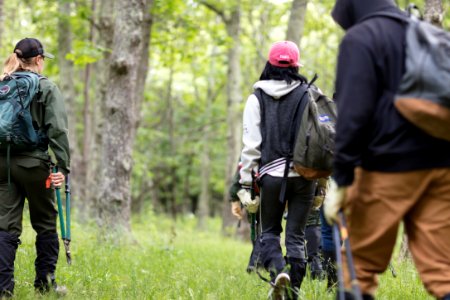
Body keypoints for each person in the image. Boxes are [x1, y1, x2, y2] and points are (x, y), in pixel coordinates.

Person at [324, 1, 450, 299]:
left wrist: (341, 178)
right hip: (443, 166)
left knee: (359, 267)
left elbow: (353, 117)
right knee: (444, 272)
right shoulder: (422, 32)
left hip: (389, 166)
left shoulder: (361, 38)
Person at [239, 41, 315, 299]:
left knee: (269, 232)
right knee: (296, 236)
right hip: (305, 176)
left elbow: (251, 146)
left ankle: (279, 272)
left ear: (270, 64)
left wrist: (246, 184)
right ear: (296, 66)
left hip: (271, 176)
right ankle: (291, 292)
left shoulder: (256, 97)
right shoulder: (309, 93)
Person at [0, 38, 70, 297]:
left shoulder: (2, 85)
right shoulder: (45, 87)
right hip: (34, 165)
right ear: (39, 60)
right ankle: (45, 284)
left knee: (5, 225)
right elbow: (58, 130)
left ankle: (3, 288)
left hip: (2, 165)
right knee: (45, 222)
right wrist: (63, 167)